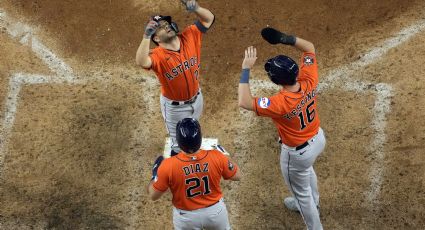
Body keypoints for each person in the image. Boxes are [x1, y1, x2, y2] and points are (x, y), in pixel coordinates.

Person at [237, 27, 326, 230]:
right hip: (318, 138)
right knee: (307, 171)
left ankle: (315, 225)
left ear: (276, 81)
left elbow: (244, 101)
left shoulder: (281, 103)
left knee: (303, 194)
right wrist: (284, 39)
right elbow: (309, 48)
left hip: (298, 153)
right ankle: (315, 202)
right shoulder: (308, 79)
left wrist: (246, 68)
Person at [135, 0, 215, 156]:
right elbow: (141, 61)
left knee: (193, 132)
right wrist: (146, 36)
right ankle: (181, 174)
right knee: (179, 146)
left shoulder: (190, 35)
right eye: (160, 28)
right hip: (175, 109)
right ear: (156, 39)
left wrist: (197, 8)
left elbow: (209, 19)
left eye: (166, 24)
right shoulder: (157, 55)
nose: (166, 26)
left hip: (197, 99)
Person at [147, 118, 241, 230]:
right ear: (200, 139)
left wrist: (154, 176)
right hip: (215, 214)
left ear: (179, 141)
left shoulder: (168, 165)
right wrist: (224, 155)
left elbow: (153, 195)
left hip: (186, 218)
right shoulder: (217, 156)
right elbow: (237, 175)